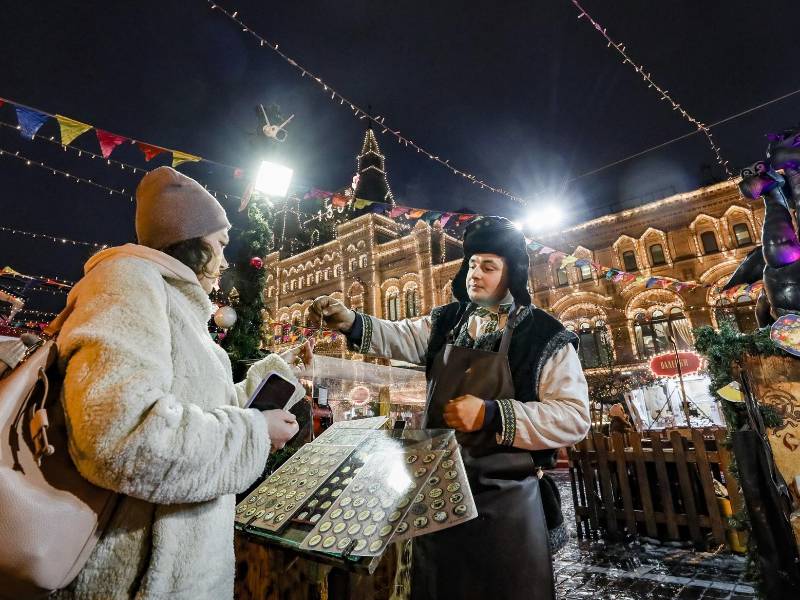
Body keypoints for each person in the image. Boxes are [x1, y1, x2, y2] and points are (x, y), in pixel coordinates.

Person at [53, 166, 310, 599]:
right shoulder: (126, 282)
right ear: (191, 239)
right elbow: (120, 433)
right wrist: (253, 432)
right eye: (221, 244)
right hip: (135, 579)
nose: (227, 261)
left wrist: (275, 378)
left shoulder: (179, 305)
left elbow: (202, 410)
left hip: (186, 572)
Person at [309, 216, 590, 600]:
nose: (476, 273)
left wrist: (493, 413)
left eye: (489, 266)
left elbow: (574, 418)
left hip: (505, 506)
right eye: (472, 264)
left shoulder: (544, 335)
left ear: (513, 273)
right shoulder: (448, 321)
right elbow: (400, 336)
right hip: (439, 501)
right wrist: (351, 321)